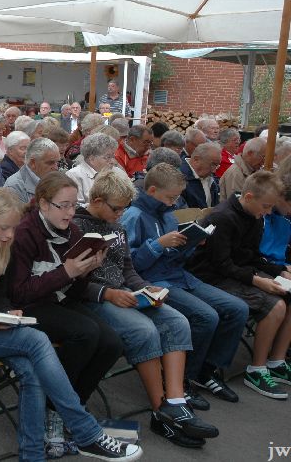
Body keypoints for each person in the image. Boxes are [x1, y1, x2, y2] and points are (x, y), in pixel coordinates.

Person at [0, 188, 143, 461]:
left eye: (13, 229)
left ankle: (32, 454)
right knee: (37, 341)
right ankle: (86, 432)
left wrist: (8, 311)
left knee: (33, 370)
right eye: (3, 228)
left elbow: (1, 295)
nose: (9, 235)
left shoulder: (2, 246)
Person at [73, 169, 218, 447]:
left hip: (124, 292)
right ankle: (161, 410)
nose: (121, 214)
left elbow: (128, 268)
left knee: (177, 321)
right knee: (144, 330)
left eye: (125, 208)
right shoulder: (77, 227)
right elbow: (74, 282)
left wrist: (144, 287)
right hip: (95, 299)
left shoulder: (116, 225)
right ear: (99, 201)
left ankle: (176, 402)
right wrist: (109, 294)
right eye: (116, 208)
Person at [122, 164, 249, 411]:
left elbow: (176, 258)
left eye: (177, 197)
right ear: (152, 190)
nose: (174, 202)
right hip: (154, 281)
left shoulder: (169, 214)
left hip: (179, 276)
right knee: (206, 317)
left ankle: (206, 369)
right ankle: (183, 379)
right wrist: (158, 244)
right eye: (170, 197)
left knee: (237, 309)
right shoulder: (134, 216)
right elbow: (130, 266)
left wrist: (191, 244)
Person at [5, 172, 123, 434]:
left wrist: (85, 271)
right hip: (27, 306)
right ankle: (54, 409)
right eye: (64, 205)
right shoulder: (24, 234)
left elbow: (74, 291)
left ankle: (73, 407)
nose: (71, 212)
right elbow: (19, 293)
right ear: (44, 204)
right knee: (85, 333)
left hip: (57, 299)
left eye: (73, 204)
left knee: (112, 343)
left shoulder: (73, 231)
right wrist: (66, 273)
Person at [186, 171, 291, 399]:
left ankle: (276, 361)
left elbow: (251, 256)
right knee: (275, 305)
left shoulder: (253, 215)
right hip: (210, 277)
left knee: (286, 294)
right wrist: (259, 281)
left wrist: (281, 271)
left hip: (234, 273)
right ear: (250, 197)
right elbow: (222, 265)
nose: (268, 212)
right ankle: (256, 368)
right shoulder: (223, 217)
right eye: (266, 206)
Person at [66, 133, 119, 206]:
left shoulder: (116, 171)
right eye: (108, 157)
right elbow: (75, 206)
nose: (113, 161)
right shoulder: (74, 175)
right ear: (92, 159)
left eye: (113, 156)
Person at [4, 137, 60, 204]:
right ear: (33, 163)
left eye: (57, 162)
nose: (56, 167)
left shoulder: (56, 179)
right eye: (50, 163)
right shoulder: (14, 187)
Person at [179, 142, 222, 209]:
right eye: (212, 164)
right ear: (196, 160)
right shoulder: (178, 179)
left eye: (216, 166)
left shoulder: (209, 177)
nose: (214, 171)